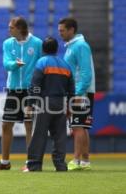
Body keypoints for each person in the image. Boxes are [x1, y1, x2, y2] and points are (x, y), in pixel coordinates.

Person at [0, 16, 42, 171]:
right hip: (13, 89)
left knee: (28, 124)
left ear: (20, 28)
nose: (8, 30)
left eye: (11, 27)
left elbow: (41, 65)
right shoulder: (7, 43)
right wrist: (15, 64)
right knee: (6, 124)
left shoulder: (37, 43)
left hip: (31, 90)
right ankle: (4, 162)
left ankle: (31, 162)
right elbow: (6, 64)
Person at [25, 37, 75, 172]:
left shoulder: (42, 62)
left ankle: (35, 165)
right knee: (59, 136)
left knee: (39, 135)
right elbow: (72, 89)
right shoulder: (65, 65)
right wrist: (70, 106)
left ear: (43, 49)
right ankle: (60, 165)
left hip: (44, 103)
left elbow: (35, 86)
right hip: (60, 104)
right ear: (56, 49)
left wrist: (30, 104)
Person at [58, 17, 95, 171]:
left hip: (80, 92)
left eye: (62, 30)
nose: (60, 33)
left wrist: (77, 93)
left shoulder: (80, 46)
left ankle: (76, 160)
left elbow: (86, 72)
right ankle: (85, 161)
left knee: (77, 126)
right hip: (81, 91)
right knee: (82, 126)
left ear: (71, 30)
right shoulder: (73, 46)